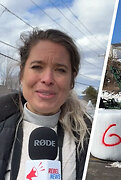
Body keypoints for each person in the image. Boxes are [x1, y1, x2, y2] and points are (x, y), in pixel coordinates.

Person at [0, 29, 91, 179]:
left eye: (60, 70)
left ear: (72, 81)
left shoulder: (88, 138)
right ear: (22, 74)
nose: (47, 79)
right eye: (37, 67)